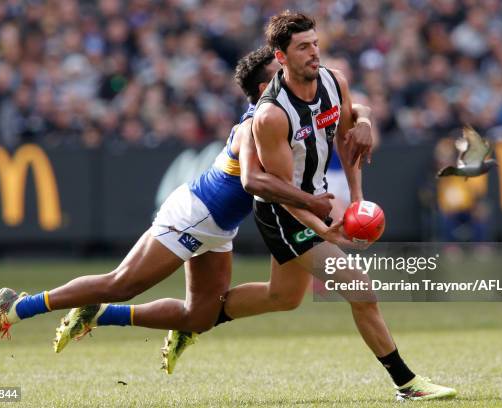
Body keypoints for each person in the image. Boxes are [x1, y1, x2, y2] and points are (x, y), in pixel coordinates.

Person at [171, 11, 457, 402]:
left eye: (315, 44)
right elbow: (281, 190)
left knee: (283, 297)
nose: (314, 53)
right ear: (282, 56)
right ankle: (407, 383)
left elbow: (348, 143)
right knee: (360, 289)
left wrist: (358, 200)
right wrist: (323, 229)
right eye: (303, 47)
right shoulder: (272, 114)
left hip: (312, 201)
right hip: (282, 211)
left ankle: (196, 321)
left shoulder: (333, 81)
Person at [0, 46, 335, 355]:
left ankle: (99, 314)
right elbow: (255, 183)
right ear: (263, 87)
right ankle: (17, 306)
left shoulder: (278, 118)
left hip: (219, 227)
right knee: (122, 284)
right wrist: (314, 208)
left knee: (200, 318)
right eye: (279, 74)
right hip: (194, 214)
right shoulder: (255, 123)